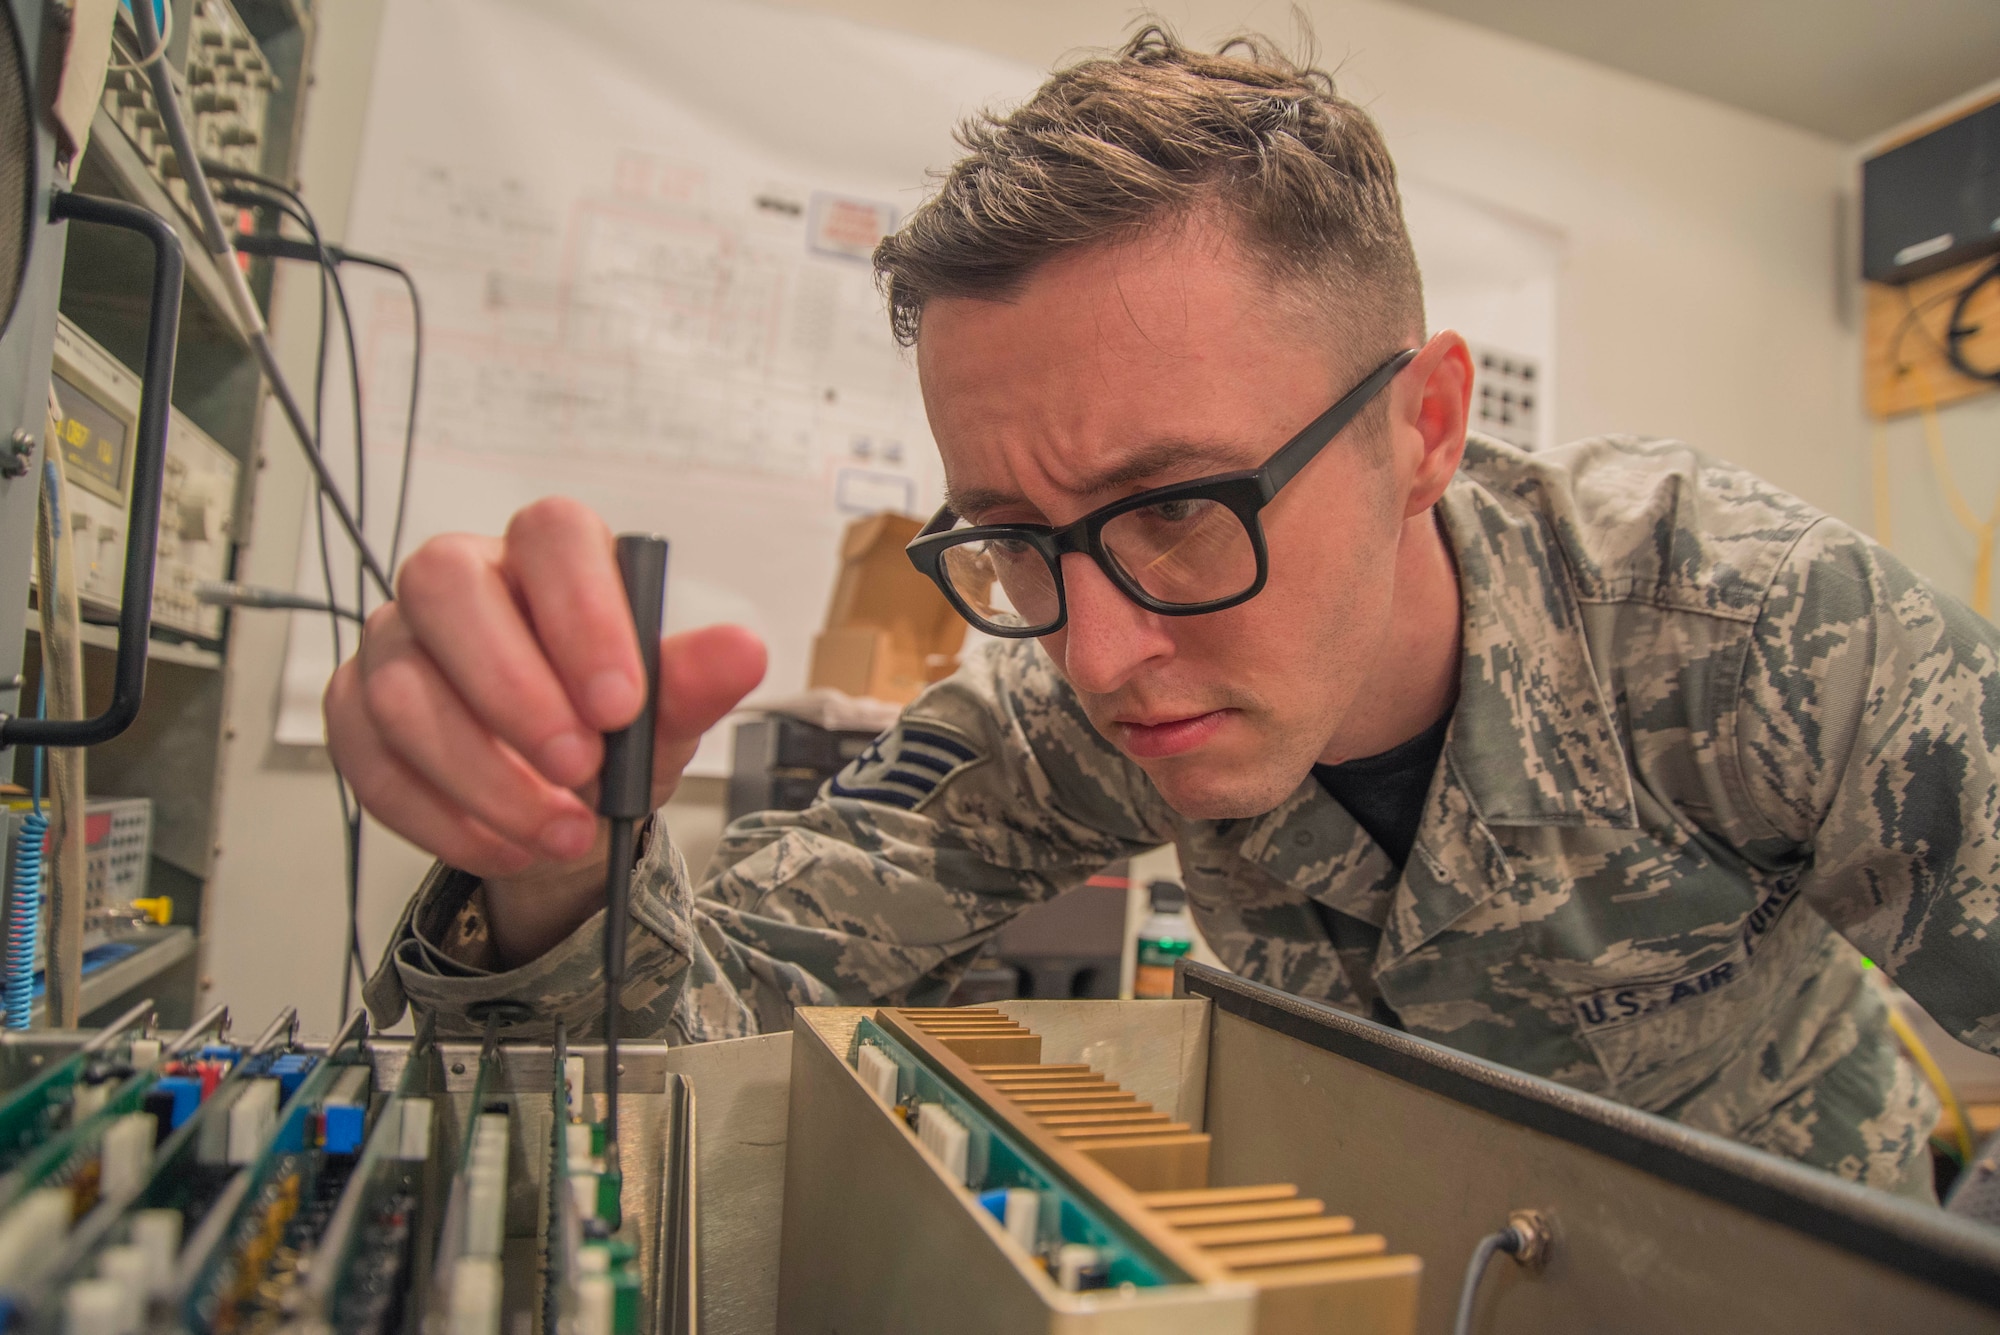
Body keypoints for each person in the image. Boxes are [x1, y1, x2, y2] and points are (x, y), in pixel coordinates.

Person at [327, 29, 2000, 1202]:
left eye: (1185, 510)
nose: (1097, 655)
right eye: (1010, 538)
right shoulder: (1053, 714)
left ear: (1421, 428)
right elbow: (663, 1071)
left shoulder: (1741, 632)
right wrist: (548, 871)